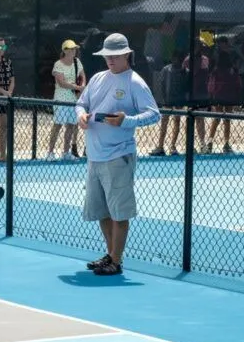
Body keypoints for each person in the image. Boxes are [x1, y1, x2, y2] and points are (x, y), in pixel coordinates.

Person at [76, 33, 160, 276]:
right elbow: (81, 103)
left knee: (119, 212)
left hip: (119, 155)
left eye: (114, 56)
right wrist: (80, 115)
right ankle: (110, 254)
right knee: (102, 210)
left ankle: (116, 259)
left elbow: (154, 114)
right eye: (107, 56)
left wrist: (127, 120)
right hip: (95, 156)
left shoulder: (135, 82)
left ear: (126, 55)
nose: (110, 60)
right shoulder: (98, 78)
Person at [45, 39, 86, 161]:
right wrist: (77, 87)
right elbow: (61, 83)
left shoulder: (77, 62)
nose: (74, 51)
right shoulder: (58, 64)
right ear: (65, 50)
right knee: (57, 125)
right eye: (71, 49)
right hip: (61, 99)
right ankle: (50, 153)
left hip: (73, 99)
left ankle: (66, 152)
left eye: (74, 49)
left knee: (71, 126)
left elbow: (83, 75)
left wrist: (82, 87)